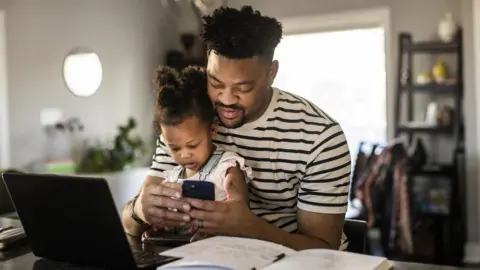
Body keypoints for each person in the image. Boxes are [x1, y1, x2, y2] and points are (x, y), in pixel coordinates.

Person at [122, 5, 351, 251]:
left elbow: (325, 253)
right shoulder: (191, 119)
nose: (227, 99)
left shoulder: (320, 137)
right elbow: (128, 223)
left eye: (243, 88)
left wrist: (248, 227)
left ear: (271, 72)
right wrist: (139, 210)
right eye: (215, 82)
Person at [144, 65, 252, 236]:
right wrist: (159, 226)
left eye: (193, 145)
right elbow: (169, 220)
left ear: (213, 130)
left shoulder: (227, 168)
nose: (184, 155)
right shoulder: (172, 179)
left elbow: (242, 220)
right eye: (174, 148)